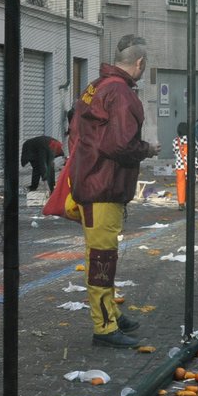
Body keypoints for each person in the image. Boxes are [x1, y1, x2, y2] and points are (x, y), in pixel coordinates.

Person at [70, 34, 157, 348]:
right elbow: (118, 143)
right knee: (102, 259)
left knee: (101, 256)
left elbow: (78, 131)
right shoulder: (120, 93)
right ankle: (104, 327)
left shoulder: (97, 85)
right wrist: (147, 148)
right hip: (102, 186)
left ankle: (109, 313)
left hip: (91, 181)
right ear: (140, 63)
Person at [171, 122, 189, 209]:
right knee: (190, 184)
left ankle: (181, 203)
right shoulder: (192, 139)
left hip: (179, 165)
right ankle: (189, 200)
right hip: (189, 165)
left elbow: (174, 151)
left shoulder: (175, 140)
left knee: (180, 184)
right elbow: (196, 149)